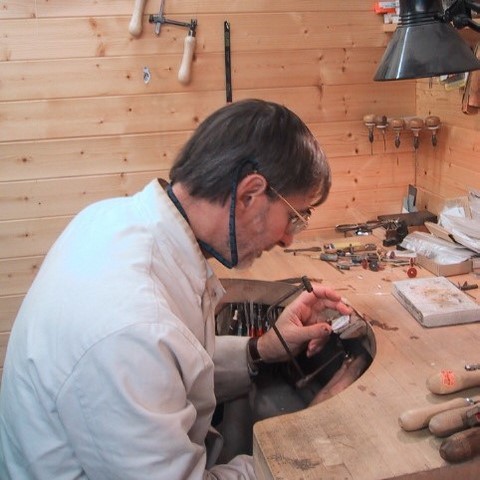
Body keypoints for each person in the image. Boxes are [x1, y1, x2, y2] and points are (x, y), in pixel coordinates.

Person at [0, 99, 352, 479]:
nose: (286, 239)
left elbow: (170, 372)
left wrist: (259, 350)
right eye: (295, 218)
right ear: (249, 194)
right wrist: (299, 448)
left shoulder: (114, 219)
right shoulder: (133, 326)